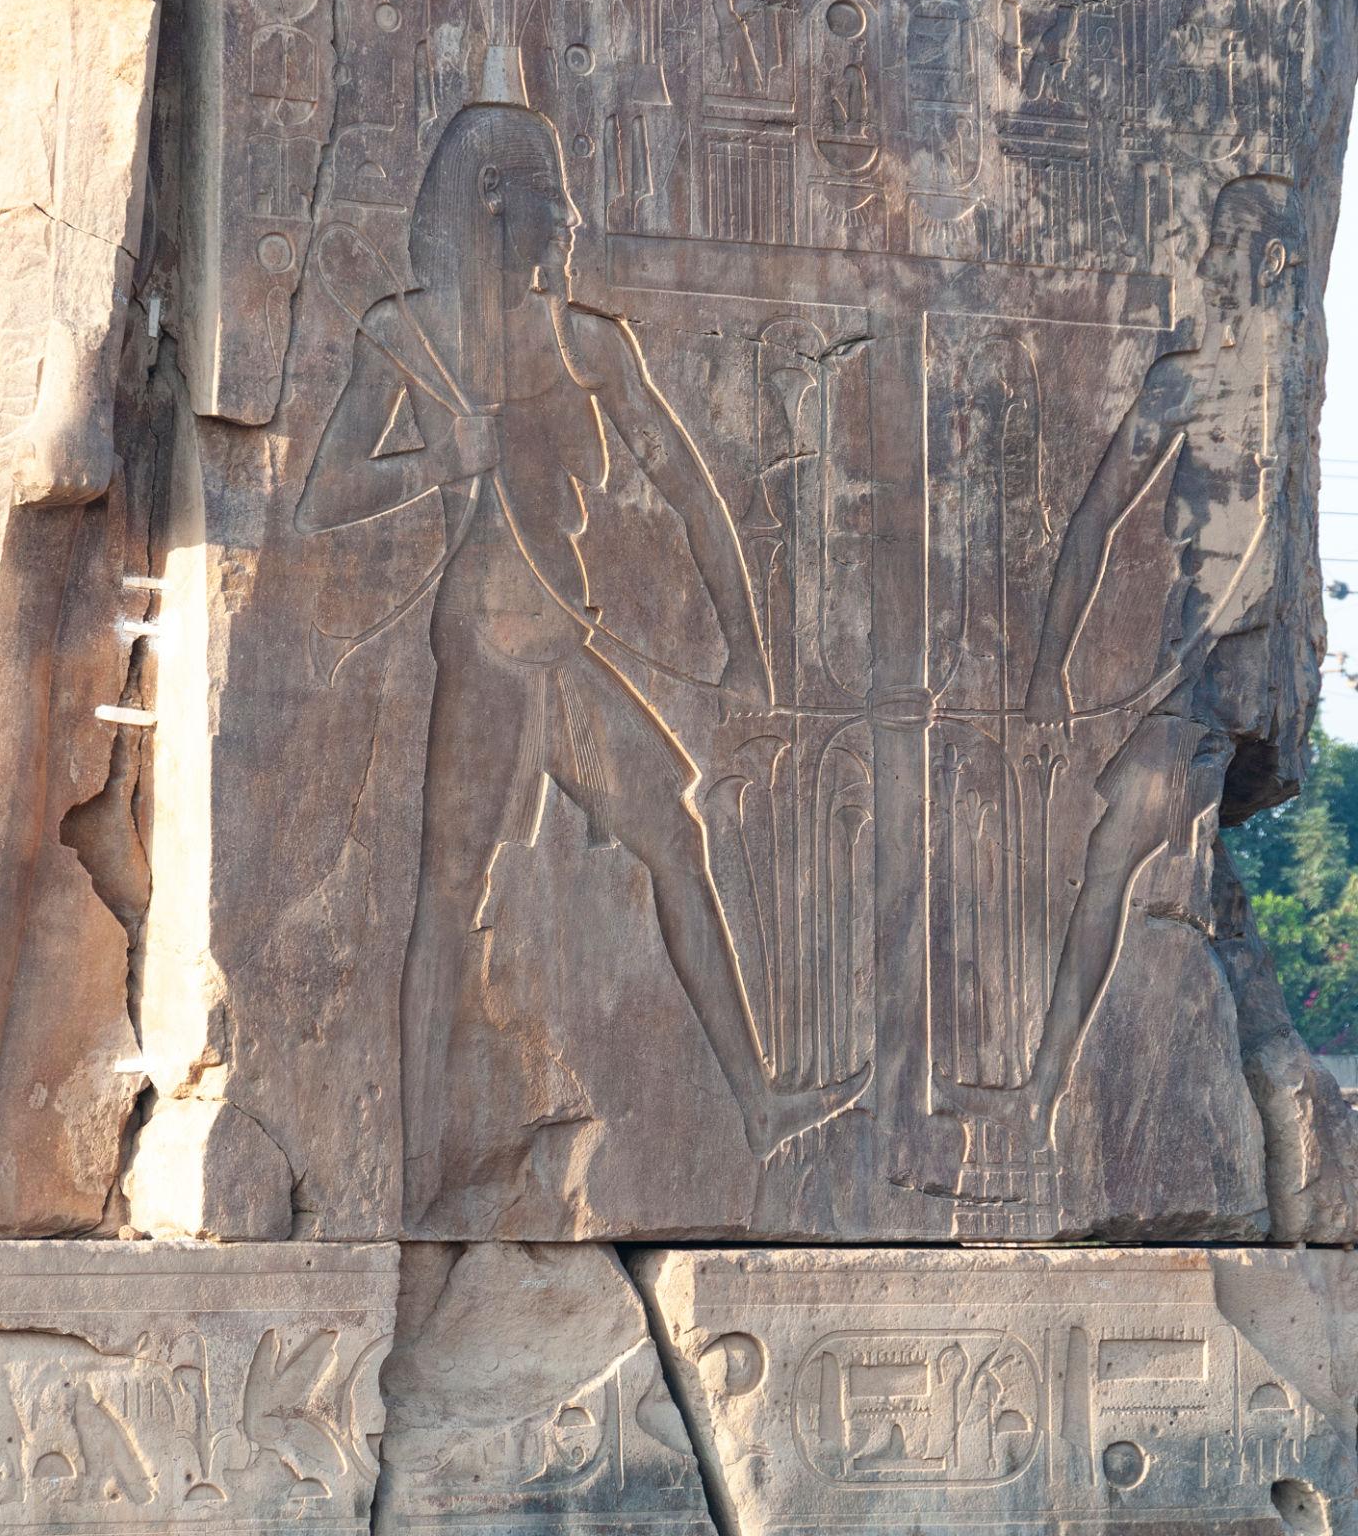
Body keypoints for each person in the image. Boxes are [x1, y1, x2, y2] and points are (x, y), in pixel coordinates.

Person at [298, 103, 867, 1214]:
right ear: (495, 202)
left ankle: (752, 1101)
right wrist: (433, 461)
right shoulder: (405, 334)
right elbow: (321, 496)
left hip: (562, 637)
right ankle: (408, 1155)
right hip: (483, 645)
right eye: (550, 197)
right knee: (448, 893)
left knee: (671, 824)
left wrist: (745, 642)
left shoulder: (586, 342)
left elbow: (687, 485)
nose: (568, 221)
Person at [916, 174, 1301, 1181]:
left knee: (1112, 872)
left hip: (1206, 689)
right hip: (1174, 681)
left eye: (1234, 254)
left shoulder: (1277, 383)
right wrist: (1048, 668)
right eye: (1216, 251)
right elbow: (1092, 519)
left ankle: (1062, 1093)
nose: (1217, 269)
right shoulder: (1186, 379)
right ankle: (1058, 1088)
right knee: (1101, 869)